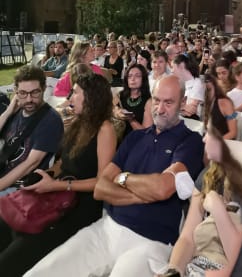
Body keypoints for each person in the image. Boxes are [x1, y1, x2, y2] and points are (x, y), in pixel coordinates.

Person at [25, 75, 205, 277]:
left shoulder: (190, 141)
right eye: (156, 100)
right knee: (42, 272)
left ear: (182, 103)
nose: (160, 109)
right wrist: (140, 193)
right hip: (107, 229)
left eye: (169, 102)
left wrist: (122, 179)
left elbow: (163, 188)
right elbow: (101, 188)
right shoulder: (135, 137)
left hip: (152, 241)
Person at [0, 71, 115, 275]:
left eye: (75, 93)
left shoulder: (105, 129)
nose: (70, 98)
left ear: (90, 97)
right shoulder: (78, 122)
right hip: (57, 193)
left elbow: (102, 182)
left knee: (13, 257)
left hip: (78, 206)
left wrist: (58, 185)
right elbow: (64, 162)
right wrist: (49, 174)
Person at [161, 100, 242, 277]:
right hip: (198, 267)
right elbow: (187, 236)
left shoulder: (241, 187)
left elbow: (232, 259)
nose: (204, 138)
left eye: (209, 133)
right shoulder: (208, 175)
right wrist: (174, 269)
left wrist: (217, 209)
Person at [0, 65, 64, 198]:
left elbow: (30, 164)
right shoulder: (16, 111)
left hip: (18, 187)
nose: (29, 99)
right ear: (16, 92)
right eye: (23, 93)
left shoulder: (50, 120)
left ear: (44, 89)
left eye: (35, 92)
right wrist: (7, 112)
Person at [118, 63, 152, 132]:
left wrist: (131, 120)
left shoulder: (148, 101)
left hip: (137, 140)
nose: (132, 79)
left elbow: (146, 133)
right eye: (129, 76)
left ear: (143, 79)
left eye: (137, 76)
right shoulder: (120, 95)